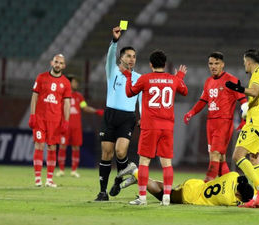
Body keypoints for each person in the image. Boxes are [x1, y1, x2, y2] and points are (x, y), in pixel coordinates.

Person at [121, 50, 188, 206]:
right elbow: (184, 91)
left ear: (151, 64)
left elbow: (129, 92)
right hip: (167, 127)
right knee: (167, 163)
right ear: (164, 64)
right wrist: (179, 77)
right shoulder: (172, 79)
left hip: (150, 126)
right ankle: (166, 198)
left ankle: (142, 198)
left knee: (144, 162)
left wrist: (129, 76)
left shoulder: (145, 79)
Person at [225, 49, 259, 208]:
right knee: (255, 160)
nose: (244, 65)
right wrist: (257, 113)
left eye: (244, 62)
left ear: (248, 62)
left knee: (237, 156)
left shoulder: (257, 75)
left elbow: (254, 92)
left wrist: (237, 89)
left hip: (256, 124)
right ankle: (256, 199)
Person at [184, 52, 248, 182]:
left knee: (215, 155)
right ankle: (228, 188)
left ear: (223, 64)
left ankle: (207, 185)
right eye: (211, 63)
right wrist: (191, 112)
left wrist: (244, 119)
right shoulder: (208, 81)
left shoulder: (231, 80)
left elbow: (244, 101)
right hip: (210, 124)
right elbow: (203, 101)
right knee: (220, 158)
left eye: (216, 63)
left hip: (224, 123)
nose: (213, 66)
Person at [95, 26, 142, 201]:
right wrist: (114, 41)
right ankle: (102, 192)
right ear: (121, 58)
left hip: (127, 118)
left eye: (134, 56)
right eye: (128, 56)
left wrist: (142, 117)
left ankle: (118, 179)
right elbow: (109, 56)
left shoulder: (139, 78)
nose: (132, 59)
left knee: (120, 152)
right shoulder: (112, 70)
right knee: (106, 153)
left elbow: (141, 100)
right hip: (110, 116)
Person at [117, 163, 254, 207]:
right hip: (190, 196)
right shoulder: (229, 199)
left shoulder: (233, 176)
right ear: (238, 194)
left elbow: (239, 177)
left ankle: (140, 178)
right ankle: (135, 172)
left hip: (195, 184)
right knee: (162, 195)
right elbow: (244, 203)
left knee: (167, 189)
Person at [28, 54, 72, 188]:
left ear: (64, 66)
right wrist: (33, 115)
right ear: (51, 62)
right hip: (41, 118)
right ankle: (37, 178)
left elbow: (66, 104)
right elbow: (34, 97)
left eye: (60, 63)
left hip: (55, 120)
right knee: (39, 145)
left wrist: (66, 121)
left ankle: (49, 179)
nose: (58, 64)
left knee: (52, 147)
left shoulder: (66, 83)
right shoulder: (41, 78)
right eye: (56, 62)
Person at [55, 75, 104, 178]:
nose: (76, 84)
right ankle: (61, 170)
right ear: (69, 83)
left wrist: (96, 111)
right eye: (74, 82)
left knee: (76, 147)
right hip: (65, 125)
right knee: (62, 146)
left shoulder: (79, 96)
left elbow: (84, 108)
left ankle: (74, 170)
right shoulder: (61, 95)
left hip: (76, 127)